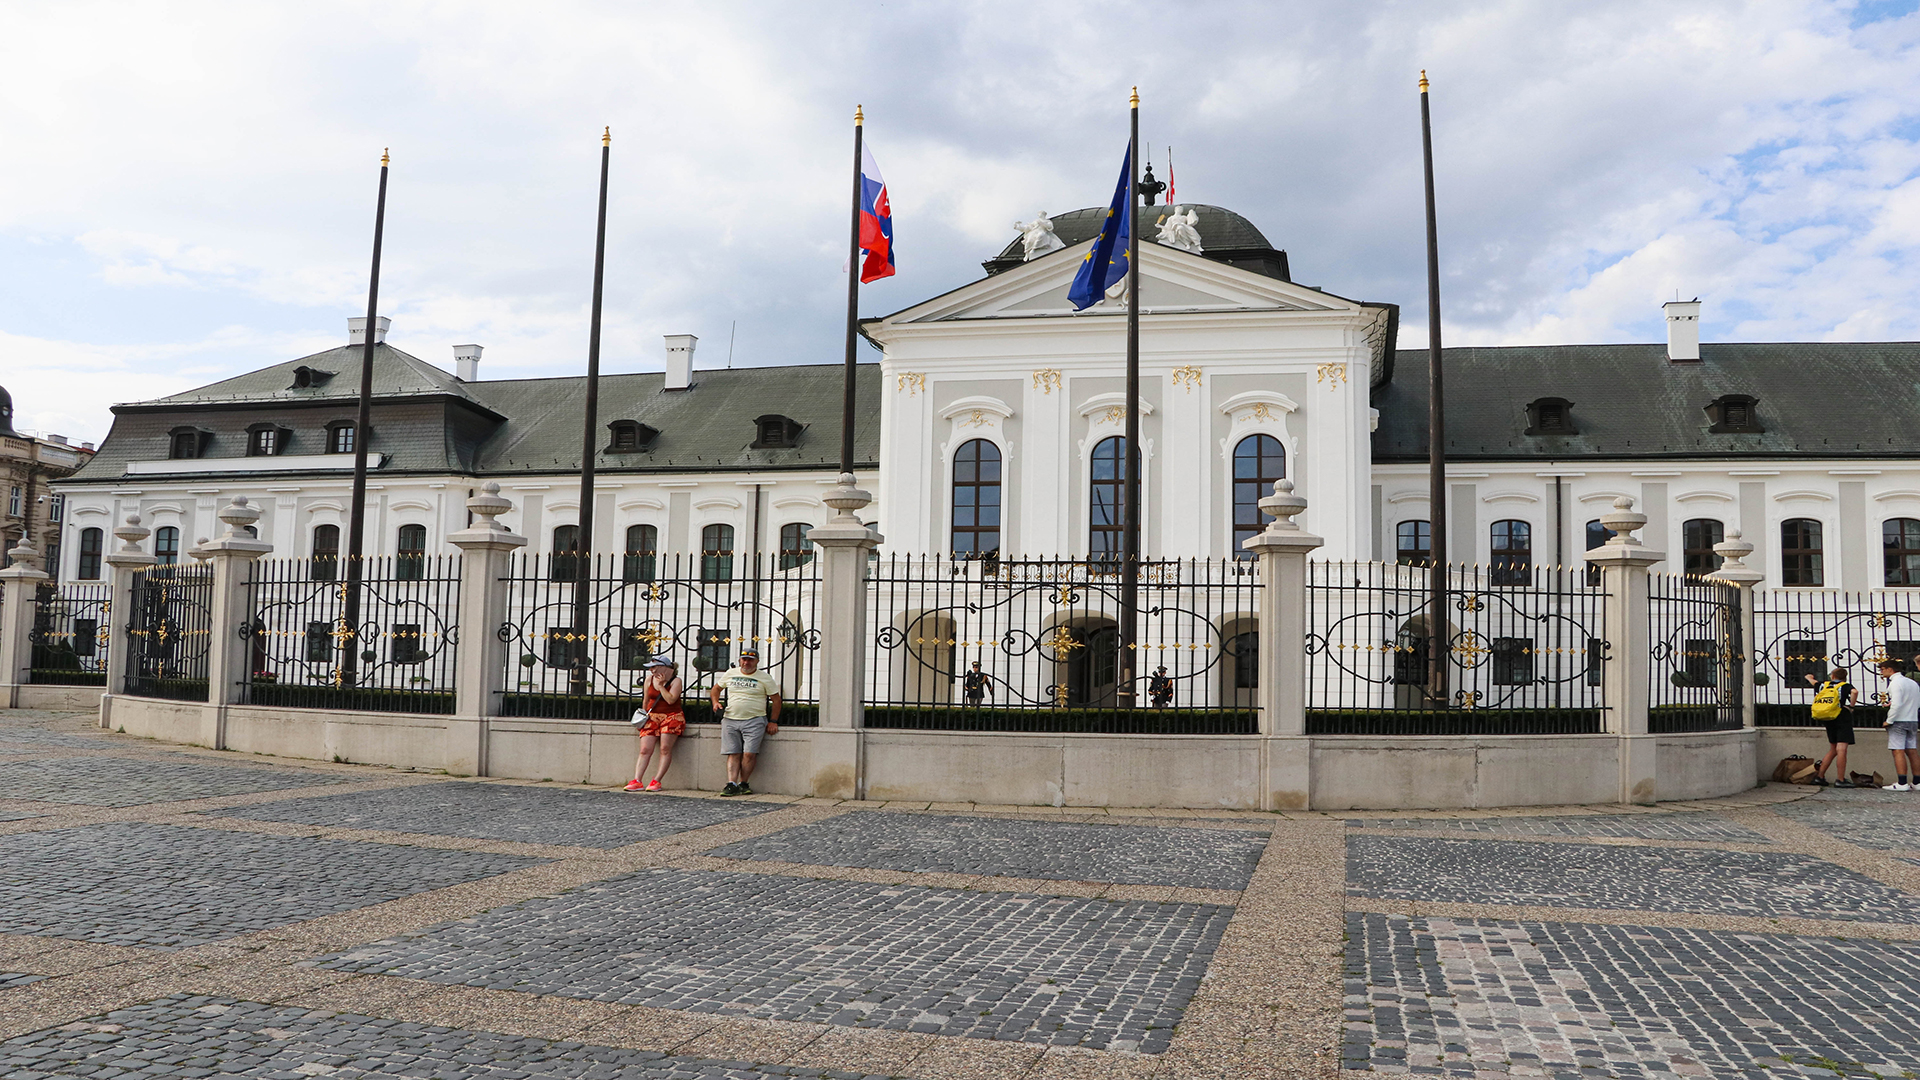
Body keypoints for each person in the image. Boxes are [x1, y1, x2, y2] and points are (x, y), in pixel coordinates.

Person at [710, 648, 780, 796]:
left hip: (755, 719)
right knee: (733, 752)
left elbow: (776, 700)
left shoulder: (764, 677)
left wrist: (773, 721)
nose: (746, 662)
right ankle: (731, 783)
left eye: (750, 660)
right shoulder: (731, 673)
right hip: (730, 718)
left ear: (757, 662)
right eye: (744, 659)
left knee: (749, 753)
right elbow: (716, 689)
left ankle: (744, 782)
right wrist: (715, 703)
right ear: (740, 660)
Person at [624, 657, 685, 792]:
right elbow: (646, 700)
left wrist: (662, 686)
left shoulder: (676, 681)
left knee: (665, 748)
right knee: (645, 749)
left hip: (672, 716)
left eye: (654, 667)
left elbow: (670, 700)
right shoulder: (649, 679)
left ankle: (656, 780)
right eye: (651, 668)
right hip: (652, 717)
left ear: (665, 667)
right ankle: (637, 780)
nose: (651, 670)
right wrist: (643, 717)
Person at [1805, 666, 1857, 787]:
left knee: (1833, 748)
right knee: (1842, 749)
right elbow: (1854, 692)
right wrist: (1852, 706)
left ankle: (1820, 776)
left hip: (1828, 717)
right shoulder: (1845, 686)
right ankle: (1840, 779)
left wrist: (1809, 677)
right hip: (1841, 716)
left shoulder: (1825, 685)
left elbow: (1814, 683)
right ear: (1844, 677)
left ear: (1832, 676)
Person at [1885, 658, 1920, 790]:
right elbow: (1916, 702)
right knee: (1912, 750)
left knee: (1897, 750)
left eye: (1883, 670)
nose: (1882, 673)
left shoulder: (1895, 683)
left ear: (1890, 669)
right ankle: (1917, 782)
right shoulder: (1912, 683)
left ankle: (1902, 782)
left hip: (1899, 720)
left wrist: (1889, 720)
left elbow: (1897, 704)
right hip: (1912, 719)